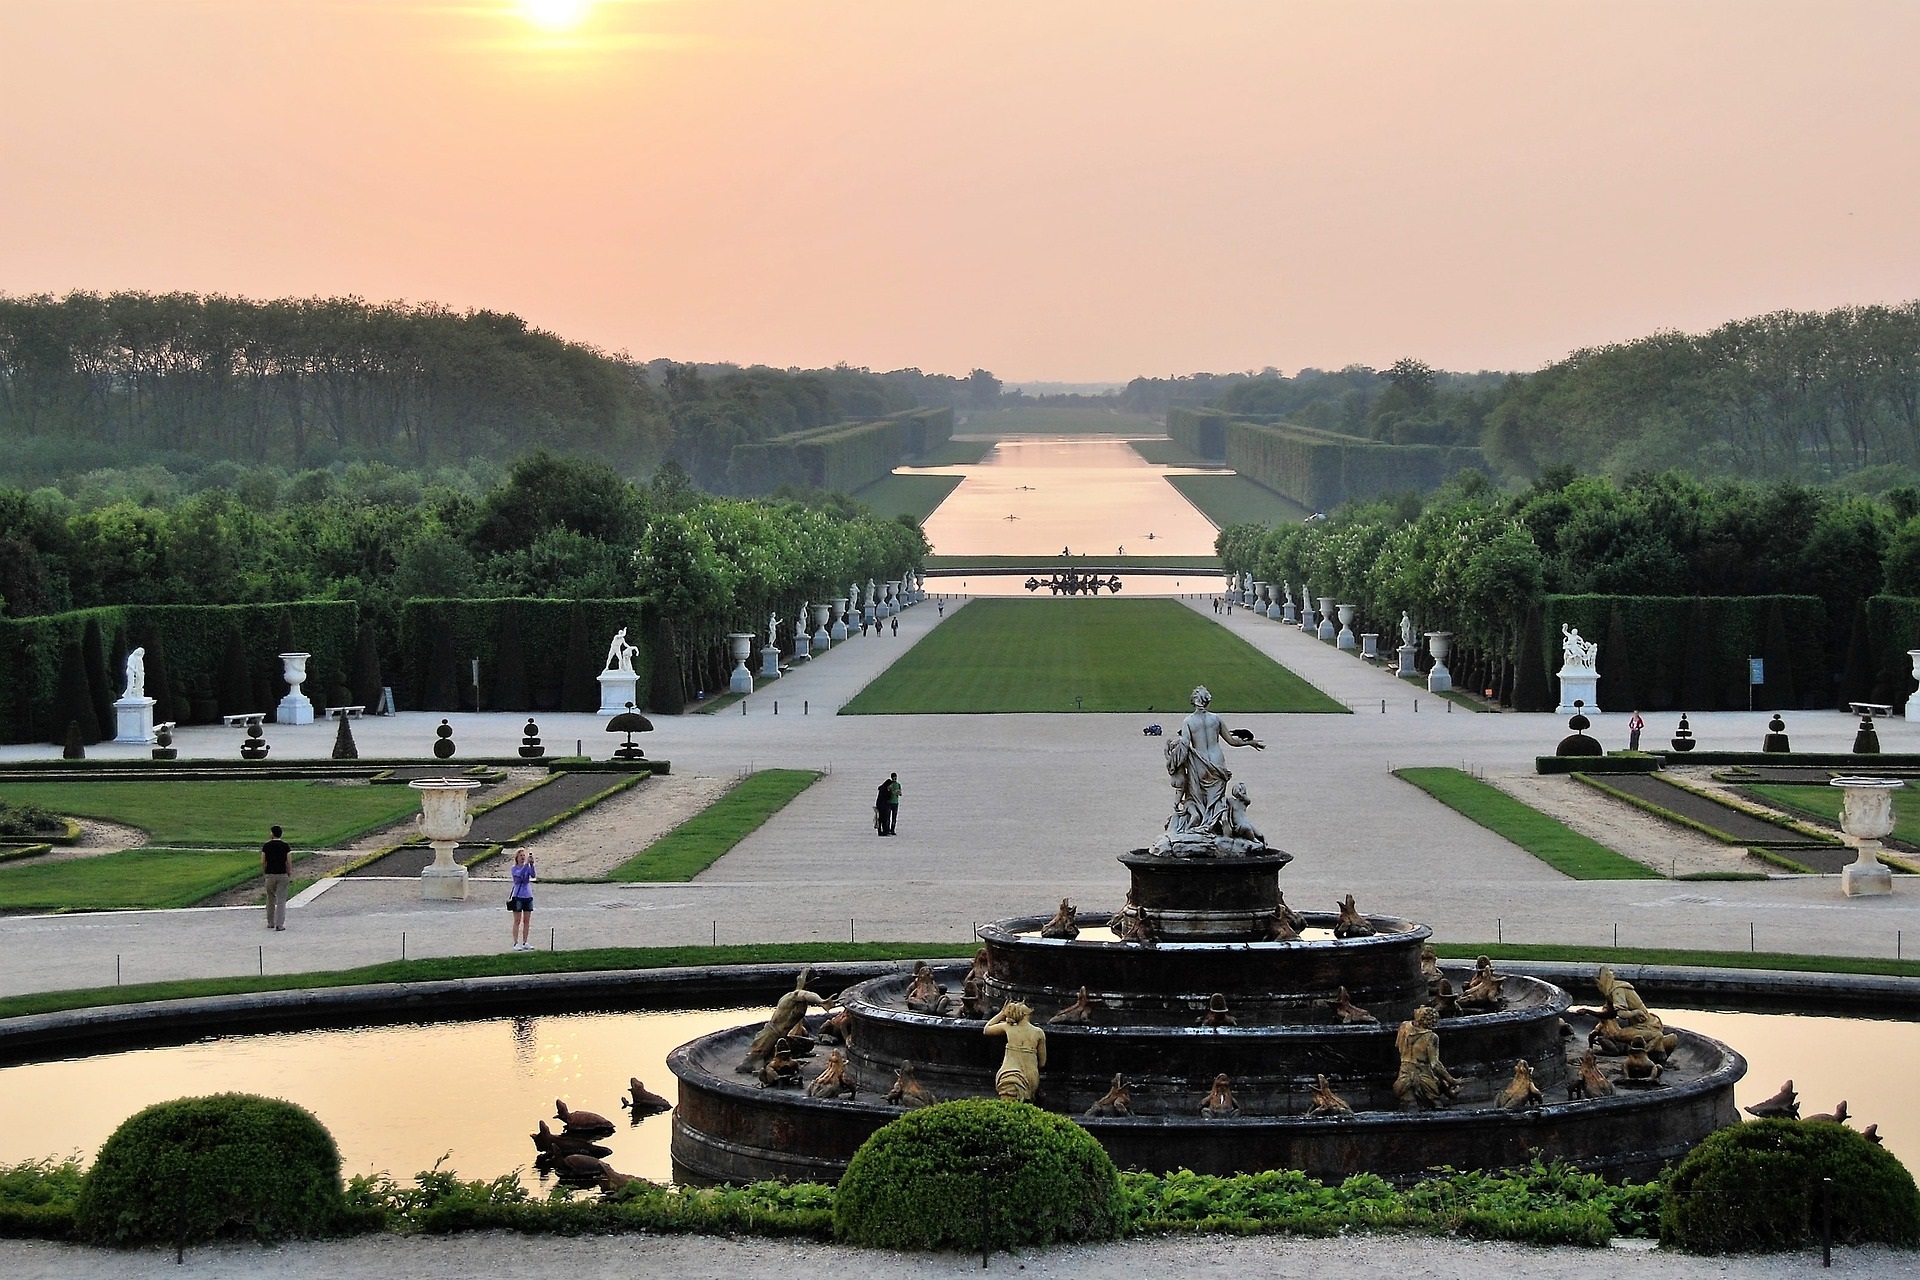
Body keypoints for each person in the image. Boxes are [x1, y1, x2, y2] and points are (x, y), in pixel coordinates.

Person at [260, 825, 291, 931]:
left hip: (270, 875)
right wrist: (289, 872)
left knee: (270, 899)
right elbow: (288, 862)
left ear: (272, 834)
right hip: (282, 874)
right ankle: (279, 925)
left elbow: (263, 861)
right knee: (281, 900)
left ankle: (270, 922)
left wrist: (265, 872)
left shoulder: (266, 846)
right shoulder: (285, 846)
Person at [508, 849, 536, 951]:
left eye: (524, 855)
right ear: (517, 858)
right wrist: (526, 865)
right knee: (517, 920)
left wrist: (532, 865)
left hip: (528, 895)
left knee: (527, 921)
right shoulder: (514, 869)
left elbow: (533, 875)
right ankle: (516, 943)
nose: (523, 857)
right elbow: (519, 876)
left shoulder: (527, 867)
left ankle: (525, 941)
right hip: (518, 896)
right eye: (520, 856)